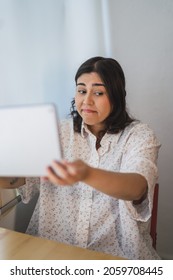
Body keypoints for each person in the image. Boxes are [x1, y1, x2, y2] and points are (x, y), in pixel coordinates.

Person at [0, 56, 161, 259]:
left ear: (117, 95)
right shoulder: (57, 131)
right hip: (51, 252)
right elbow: (18, 178)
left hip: (116, 256)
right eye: (82, 91)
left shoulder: (139, 136)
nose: (87, 101)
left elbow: (136, 187)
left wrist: (86, 173)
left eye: (98, 92)